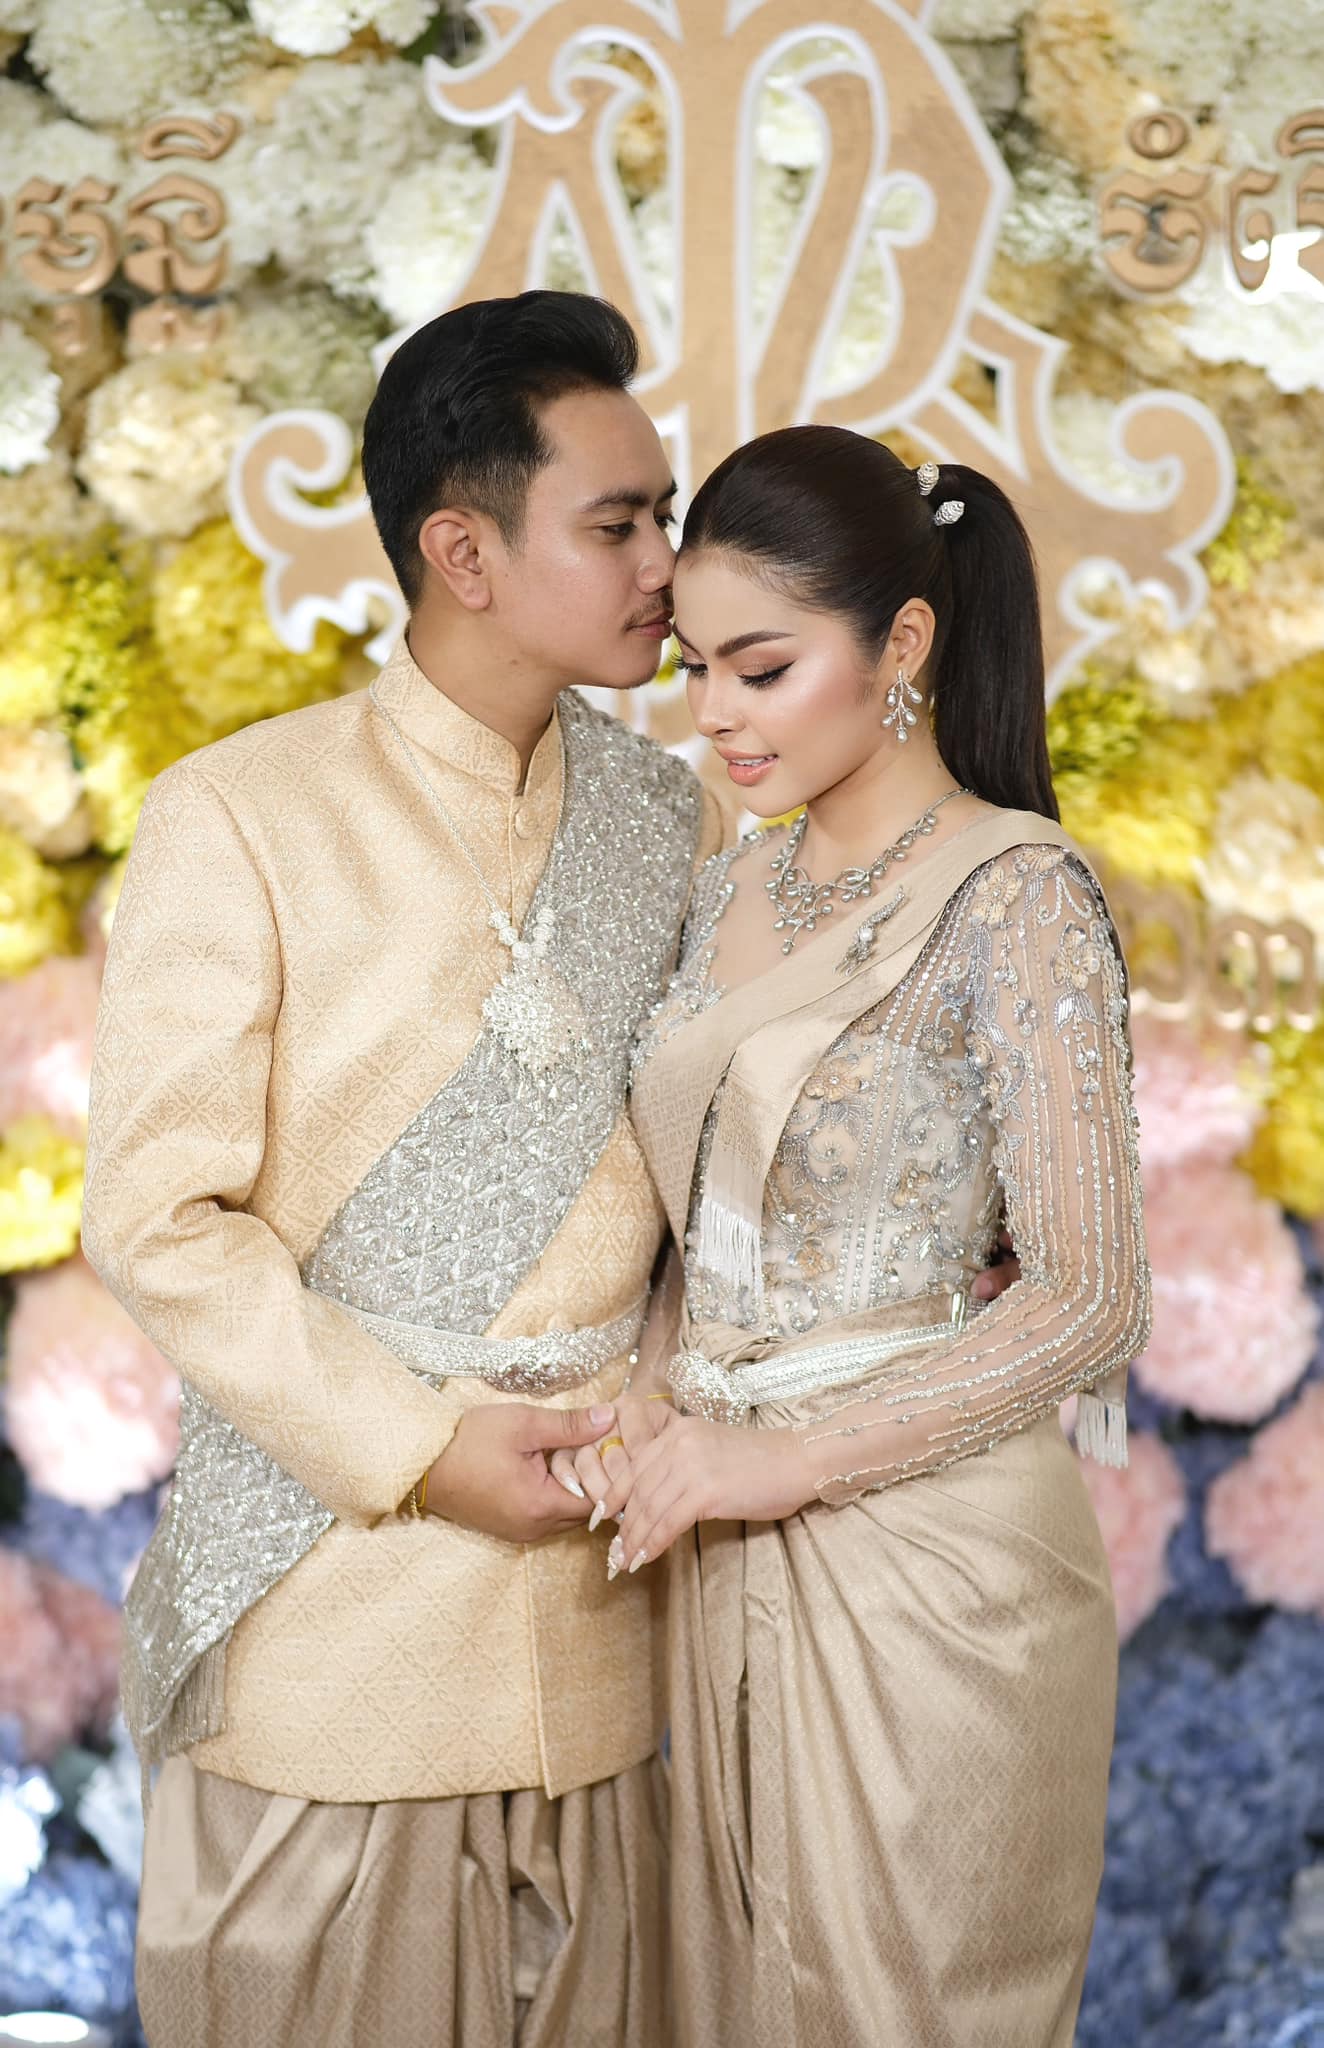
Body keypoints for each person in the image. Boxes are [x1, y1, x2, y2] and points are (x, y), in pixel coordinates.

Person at [80, 290, 724, 2048]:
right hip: (333, 1644)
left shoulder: (671, 817)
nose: (666, 566)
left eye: (664, 518)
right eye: (619, 523)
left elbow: (704, 1192)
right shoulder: (242, 813)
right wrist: (425, 1451)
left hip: (603, 1634)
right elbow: (157, 1221)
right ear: (464, 552)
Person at [575, 426, 1152, 2047]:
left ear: (902, 643)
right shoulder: (731, 887)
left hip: (929, 1570)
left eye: (763, 669)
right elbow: (703, 1223)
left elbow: (1093, 1297)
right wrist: (653, 1397)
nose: (716, 714)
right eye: (697, 668)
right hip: (714, 1539)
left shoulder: (1015, 893)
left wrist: (787, 1458)